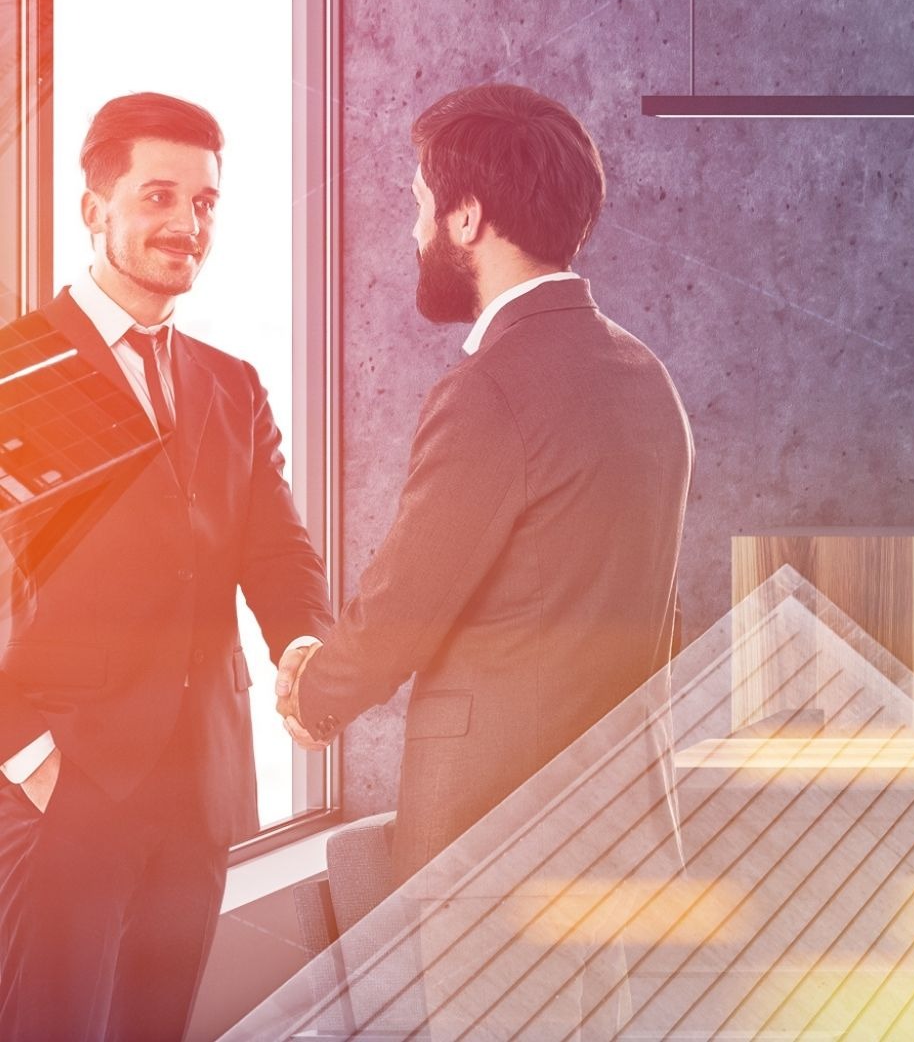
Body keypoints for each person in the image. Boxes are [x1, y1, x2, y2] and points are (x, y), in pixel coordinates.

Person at [278, 83, 693, 882]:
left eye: (420, 205)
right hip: (623, 834)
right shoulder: (646, 378)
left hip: (496, 846)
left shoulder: (491, 390)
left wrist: (315, 693)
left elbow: (407, 601)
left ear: (466, 218)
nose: (413, 229)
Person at [0, 92, 333, 1040]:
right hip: (63, 794)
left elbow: (276, 552)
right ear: (94, 208)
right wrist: (25, 752)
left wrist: (306, 650)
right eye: (158, 196)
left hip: (200, 793)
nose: (186, 224)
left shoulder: (231, 383)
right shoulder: (13, 371)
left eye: (206, 202)